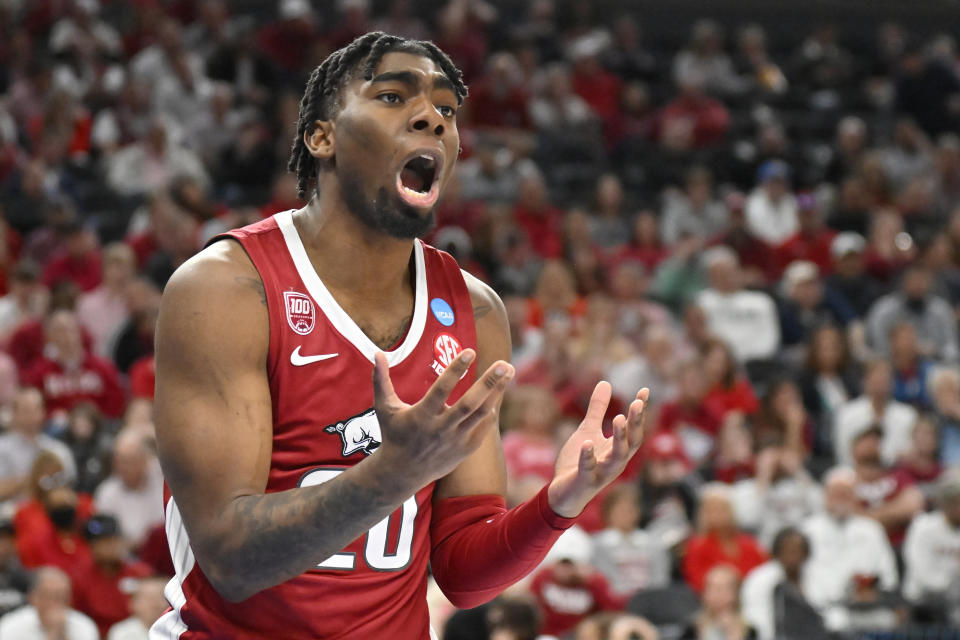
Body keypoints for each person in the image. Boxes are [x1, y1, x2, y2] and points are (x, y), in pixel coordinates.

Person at [151, 32, 650, 638]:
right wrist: (392, 473)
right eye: (392, 96)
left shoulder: (475, 312)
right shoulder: (226, 290)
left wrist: (557, 505)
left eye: (446, 109)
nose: (432, 119)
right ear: (322, 136)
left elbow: (463, 577)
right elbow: (231, 559)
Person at [802, 468, 898, 631]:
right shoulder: (808, 530)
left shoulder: (871, 530)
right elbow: (801, 576)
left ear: (855, 496)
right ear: (825, 495)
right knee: (836, 622)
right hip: (819, 608)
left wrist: (871, 589)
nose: (840, 499)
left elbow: (887, 575)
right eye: (835, 493)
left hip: (864, 609)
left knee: (888, 620)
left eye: (845, 493)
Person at [683, 484, 767, 594]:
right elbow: (697, 582)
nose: (717, 514)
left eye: (722, 509)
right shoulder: (697, 546)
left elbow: (765, 572)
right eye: (711, 509)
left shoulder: (749, 543)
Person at [741, 528, 823, 640]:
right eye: (788, 550)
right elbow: (756, 620)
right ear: (777, 552)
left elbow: (826, 612)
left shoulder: (816, 576)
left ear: (806, 553)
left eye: (798, 550)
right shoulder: (759, 579)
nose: (794, 555)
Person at [902, 469, 960, 624]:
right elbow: (923, 574)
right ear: (946, 502)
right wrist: (950, 585)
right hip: (923, 604)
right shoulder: (923, 527)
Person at [0, 387, 76, 505]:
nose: (31, 415)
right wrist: (33, 480)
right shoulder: (2, 448)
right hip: (11, 515)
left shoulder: (58, 450)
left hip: (51, 514)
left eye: (36, 408)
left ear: (43, 411)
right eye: (26, 409)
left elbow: (69, 489)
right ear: (14, 413)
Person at [93, 431, 164, 549]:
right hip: (130, 557)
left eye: (129, 461)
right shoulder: (106, 493)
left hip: (165, 551)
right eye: (118, 461)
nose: (122, 467)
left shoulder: (160, 476)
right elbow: (109, 541)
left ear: (145, 460)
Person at [0, 566, 98, 640]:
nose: (54, 603)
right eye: (48, 596)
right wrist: (52, 635)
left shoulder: (83, 625)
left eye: (61, 597)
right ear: (33, 597)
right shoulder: (11, 625)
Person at [680, 565, 757, 640]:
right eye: (712, 587)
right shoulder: (692, 629)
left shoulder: (749, 631)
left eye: (724, 588)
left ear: (737, 593)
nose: (718, 594)